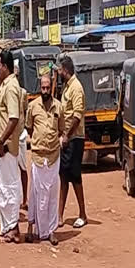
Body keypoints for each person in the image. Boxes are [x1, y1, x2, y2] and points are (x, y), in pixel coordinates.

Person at [26, 75, 64, 245]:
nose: (46, 91)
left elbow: (62, 130)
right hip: (38, 157)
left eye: (48, 88)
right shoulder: (33, 106)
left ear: (52, 88)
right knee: (35, 193)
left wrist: (60, 140)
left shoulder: (59, 107)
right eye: (43, 88)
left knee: (52, 195)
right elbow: (29, 128)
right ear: (39, 88)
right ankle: (31, 228)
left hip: (54, 156)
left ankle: (51, 230)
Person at [0, 51, 24, 242]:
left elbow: (13, 118)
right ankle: (7, 226)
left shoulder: (11, 87)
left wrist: (2, 140)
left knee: (10, 187)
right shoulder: (5, 86)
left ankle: (14, 228)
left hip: (8, 147)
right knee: (2, 187)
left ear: (4, 66)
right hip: (2, 147)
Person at [57, 55, 88, 229]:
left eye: (60, 70)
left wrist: (67, 135)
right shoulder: (66, 87)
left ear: (66, 70)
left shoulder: (76, 88)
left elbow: (77, 115)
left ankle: (83, 213)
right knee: (63, 175)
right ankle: (59, 215)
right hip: (66, 138)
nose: (58, 73)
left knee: (75, 176)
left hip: (74, 138)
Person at [18, 87, 29, 210]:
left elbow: (24, 111)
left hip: (20, 135)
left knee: (22, 167)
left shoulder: (23, 93)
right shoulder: (3, 90)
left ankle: (25, 199)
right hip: (9, 137)